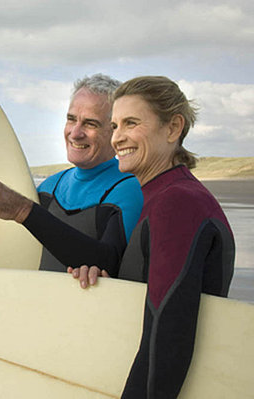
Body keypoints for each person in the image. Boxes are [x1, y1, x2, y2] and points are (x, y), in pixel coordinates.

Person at [74, 76, 235, 398]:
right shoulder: (166, 195)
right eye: (114, 125)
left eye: (131, 123)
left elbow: (168, 333)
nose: (117, 137)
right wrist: (109, 283)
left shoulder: (177, 202)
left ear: (173, 128)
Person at [0, 74, 143, 279]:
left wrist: (23, 209)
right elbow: (6, 236)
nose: (75, 133)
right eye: (71, 119)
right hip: (38, 307)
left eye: (90, 124)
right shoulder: (51, 186)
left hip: (89, 310)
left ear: (115, 131)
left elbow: (111, 262)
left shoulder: (130, 189)